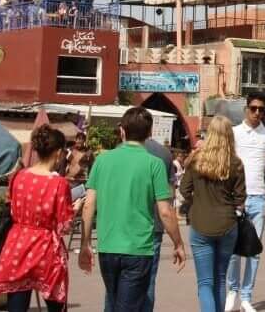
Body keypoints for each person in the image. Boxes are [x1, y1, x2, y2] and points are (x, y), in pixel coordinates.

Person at [79, 107, 186, 312]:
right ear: (149, 133)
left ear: (122, 131)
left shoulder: (102, 160)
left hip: (108, 246)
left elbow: (89, 204)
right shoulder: (153, 164)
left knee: (113, 301)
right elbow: (164, 210)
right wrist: (178, 243)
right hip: (138, 248)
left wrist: (85, 243)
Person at [0, 125, 74, 312]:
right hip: (45, 249)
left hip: (17, 247)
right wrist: (75, 209)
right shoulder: (59, 184)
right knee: (56, 307)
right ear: (59, 152)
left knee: (17, 306)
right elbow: (65, 226)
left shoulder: (18, 177)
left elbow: (12, 208)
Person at [180, 116, 246, 312]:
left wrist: (196, 202)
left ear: (209, 135)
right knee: (220, 278)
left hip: (201, 224)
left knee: (205, 283)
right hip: (227, 224)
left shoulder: (196, 160)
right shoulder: (235, 163)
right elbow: (240, 197)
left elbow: (184, 190)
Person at [226, 93, 265, 312]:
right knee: (233, 250)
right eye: (254, 108)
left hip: (258, 197)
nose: (257, 113)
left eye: (261, 109)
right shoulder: (234, 132)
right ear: (246, 109)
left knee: (254, 251)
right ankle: (232, 292)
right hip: (235, 197)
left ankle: (247, 296)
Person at [141, 125, 176, 312]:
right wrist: (177, 240)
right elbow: (169, 195)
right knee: (149, 280)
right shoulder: (163, 153)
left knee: (117, 284)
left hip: (123, 227)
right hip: (154, 223)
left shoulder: (116, 153)